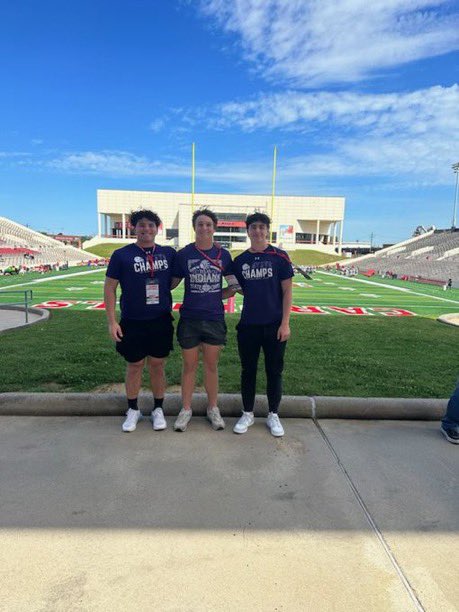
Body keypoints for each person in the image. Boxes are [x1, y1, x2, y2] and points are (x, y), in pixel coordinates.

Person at [104, 209, 176, 433]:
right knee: (134, 365)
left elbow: (173, 280)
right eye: (142, 225)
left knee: (157, 365)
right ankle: (133, 409)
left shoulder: (167, 253)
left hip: (160, 319)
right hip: (132, 320)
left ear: (157, 228)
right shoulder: (121, 254)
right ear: (134, 228)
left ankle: (158, 409)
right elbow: (110, 287)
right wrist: (112, 321)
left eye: (151, 225)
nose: (146, 229)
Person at [171, 208, 238, 432]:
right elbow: (171, 283)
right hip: (190, 317)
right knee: (189, 365)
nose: (204, 228)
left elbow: (234, 287)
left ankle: (212, 408)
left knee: (211, 365)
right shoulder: (184, 254)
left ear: (214, 227)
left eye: (208, 224)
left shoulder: (223, 255)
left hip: (213, 317)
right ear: (194, 227)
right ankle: (186, 409)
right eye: (200, 224)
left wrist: (215, 294)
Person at [232, 212, 293, 437]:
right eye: (253, 227)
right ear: (247, 231)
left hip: (274, 324)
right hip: (248, 325)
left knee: (274, 371)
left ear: (267, 230)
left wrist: (285, 323)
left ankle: (273, 414)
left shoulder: (280, 256)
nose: (257, 231)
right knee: (248, 370)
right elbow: (235, 287)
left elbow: (287, 291)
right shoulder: (240, 261)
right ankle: (247, 413)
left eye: (261, 227)